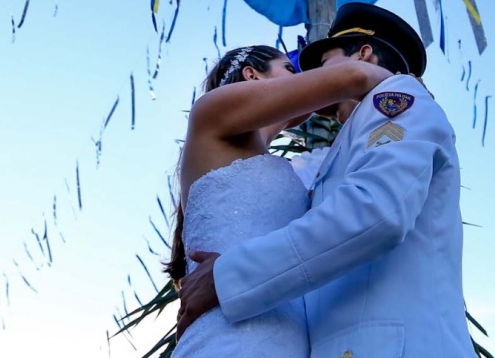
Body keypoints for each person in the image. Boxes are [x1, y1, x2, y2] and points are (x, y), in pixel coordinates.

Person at [177, 2, 476, 358]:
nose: (310, 79)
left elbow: (374, 212)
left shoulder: (396, 101)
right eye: (294, 69)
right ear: (252, 76)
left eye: (322, 64)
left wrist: (228, 277)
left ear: (363, 54)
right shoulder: (223, 120)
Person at [168, 43, 393, 357]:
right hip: (229, 340)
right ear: (251, 74)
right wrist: (404, 86)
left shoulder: (290, 172)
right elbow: (353, 75)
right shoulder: (212, 109)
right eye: (290, 69)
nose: (300, 78)